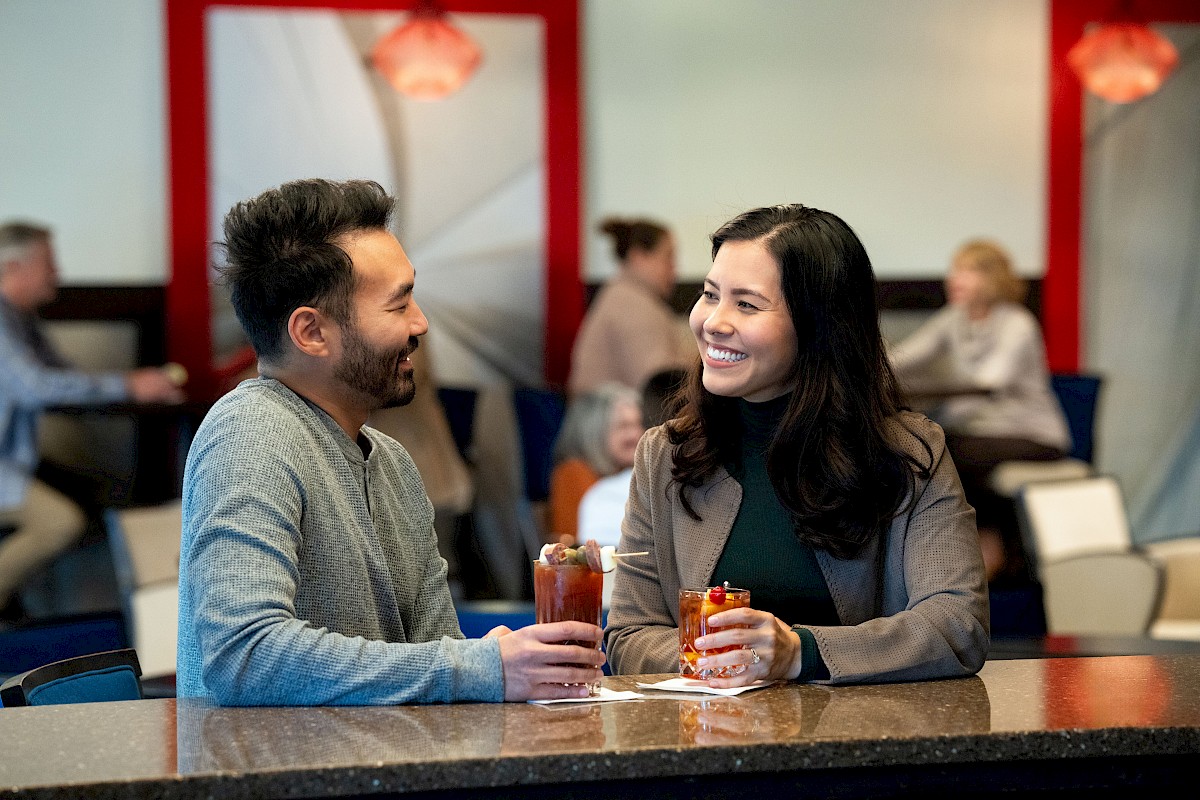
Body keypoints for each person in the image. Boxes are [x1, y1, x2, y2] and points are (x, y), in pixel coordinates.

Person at [176, 178, 604, 705]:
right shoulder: (251, 434)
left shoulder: (392, 462)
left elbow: (433, 655)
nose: (420, 323)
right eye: (398, 306)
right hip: (270, 761)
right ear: (311, 332)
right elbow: (243, 655)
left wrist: (494, 656)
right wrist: (476, 667)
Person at [604, 204, 989, 686]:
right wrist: (729, 657)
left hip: (866, 730)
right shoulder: (665, 453)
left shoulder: (908, 453)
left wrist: (799, 653)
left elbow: (958, 625)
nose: (713, 322)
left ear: (818, 324)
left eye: (747, 304)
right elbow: (629, 635)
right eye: (710, 295)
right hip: (709, 730)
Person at [0, 221, 184, 624]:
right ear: (13, 267)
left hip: (15, 460)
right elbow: (36, 386)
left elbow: (63, 376)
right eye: (48, 262)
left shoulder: (20, 319)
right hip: (6, 466)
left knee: (97, 494)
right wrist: (129, 385)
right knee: (59, 523)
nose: (57, 273)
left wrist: (135, 385)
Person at [888, 239, 1070, 582]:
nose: (954, 279)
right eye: (955, 270)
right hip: (980, 434)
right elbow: (904, 359)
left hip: (1031, 436)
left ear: (993, 278)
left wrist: (935, 405)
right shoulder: (954, 318)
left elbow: (990, 382)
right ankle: (987, 546)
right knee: (927, 446)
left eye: (968, 270)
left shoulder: (1018, 323)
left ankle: (992, 547)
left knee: (943, 449)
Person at [567, 217, 693, 397]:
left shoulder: (624, 296)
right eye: (668, 257)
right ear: (638, 257)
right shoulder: (633, 307)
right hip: (609, 414)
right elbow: (660, 384)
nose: (674, 269)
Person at [547, 382, 644, 544]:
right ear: (595, 430)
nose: (636, 434)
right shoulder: (574, 472)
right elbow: (576, 544)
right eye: (624, 426)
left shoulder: (636, 475)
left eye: (638, 424)